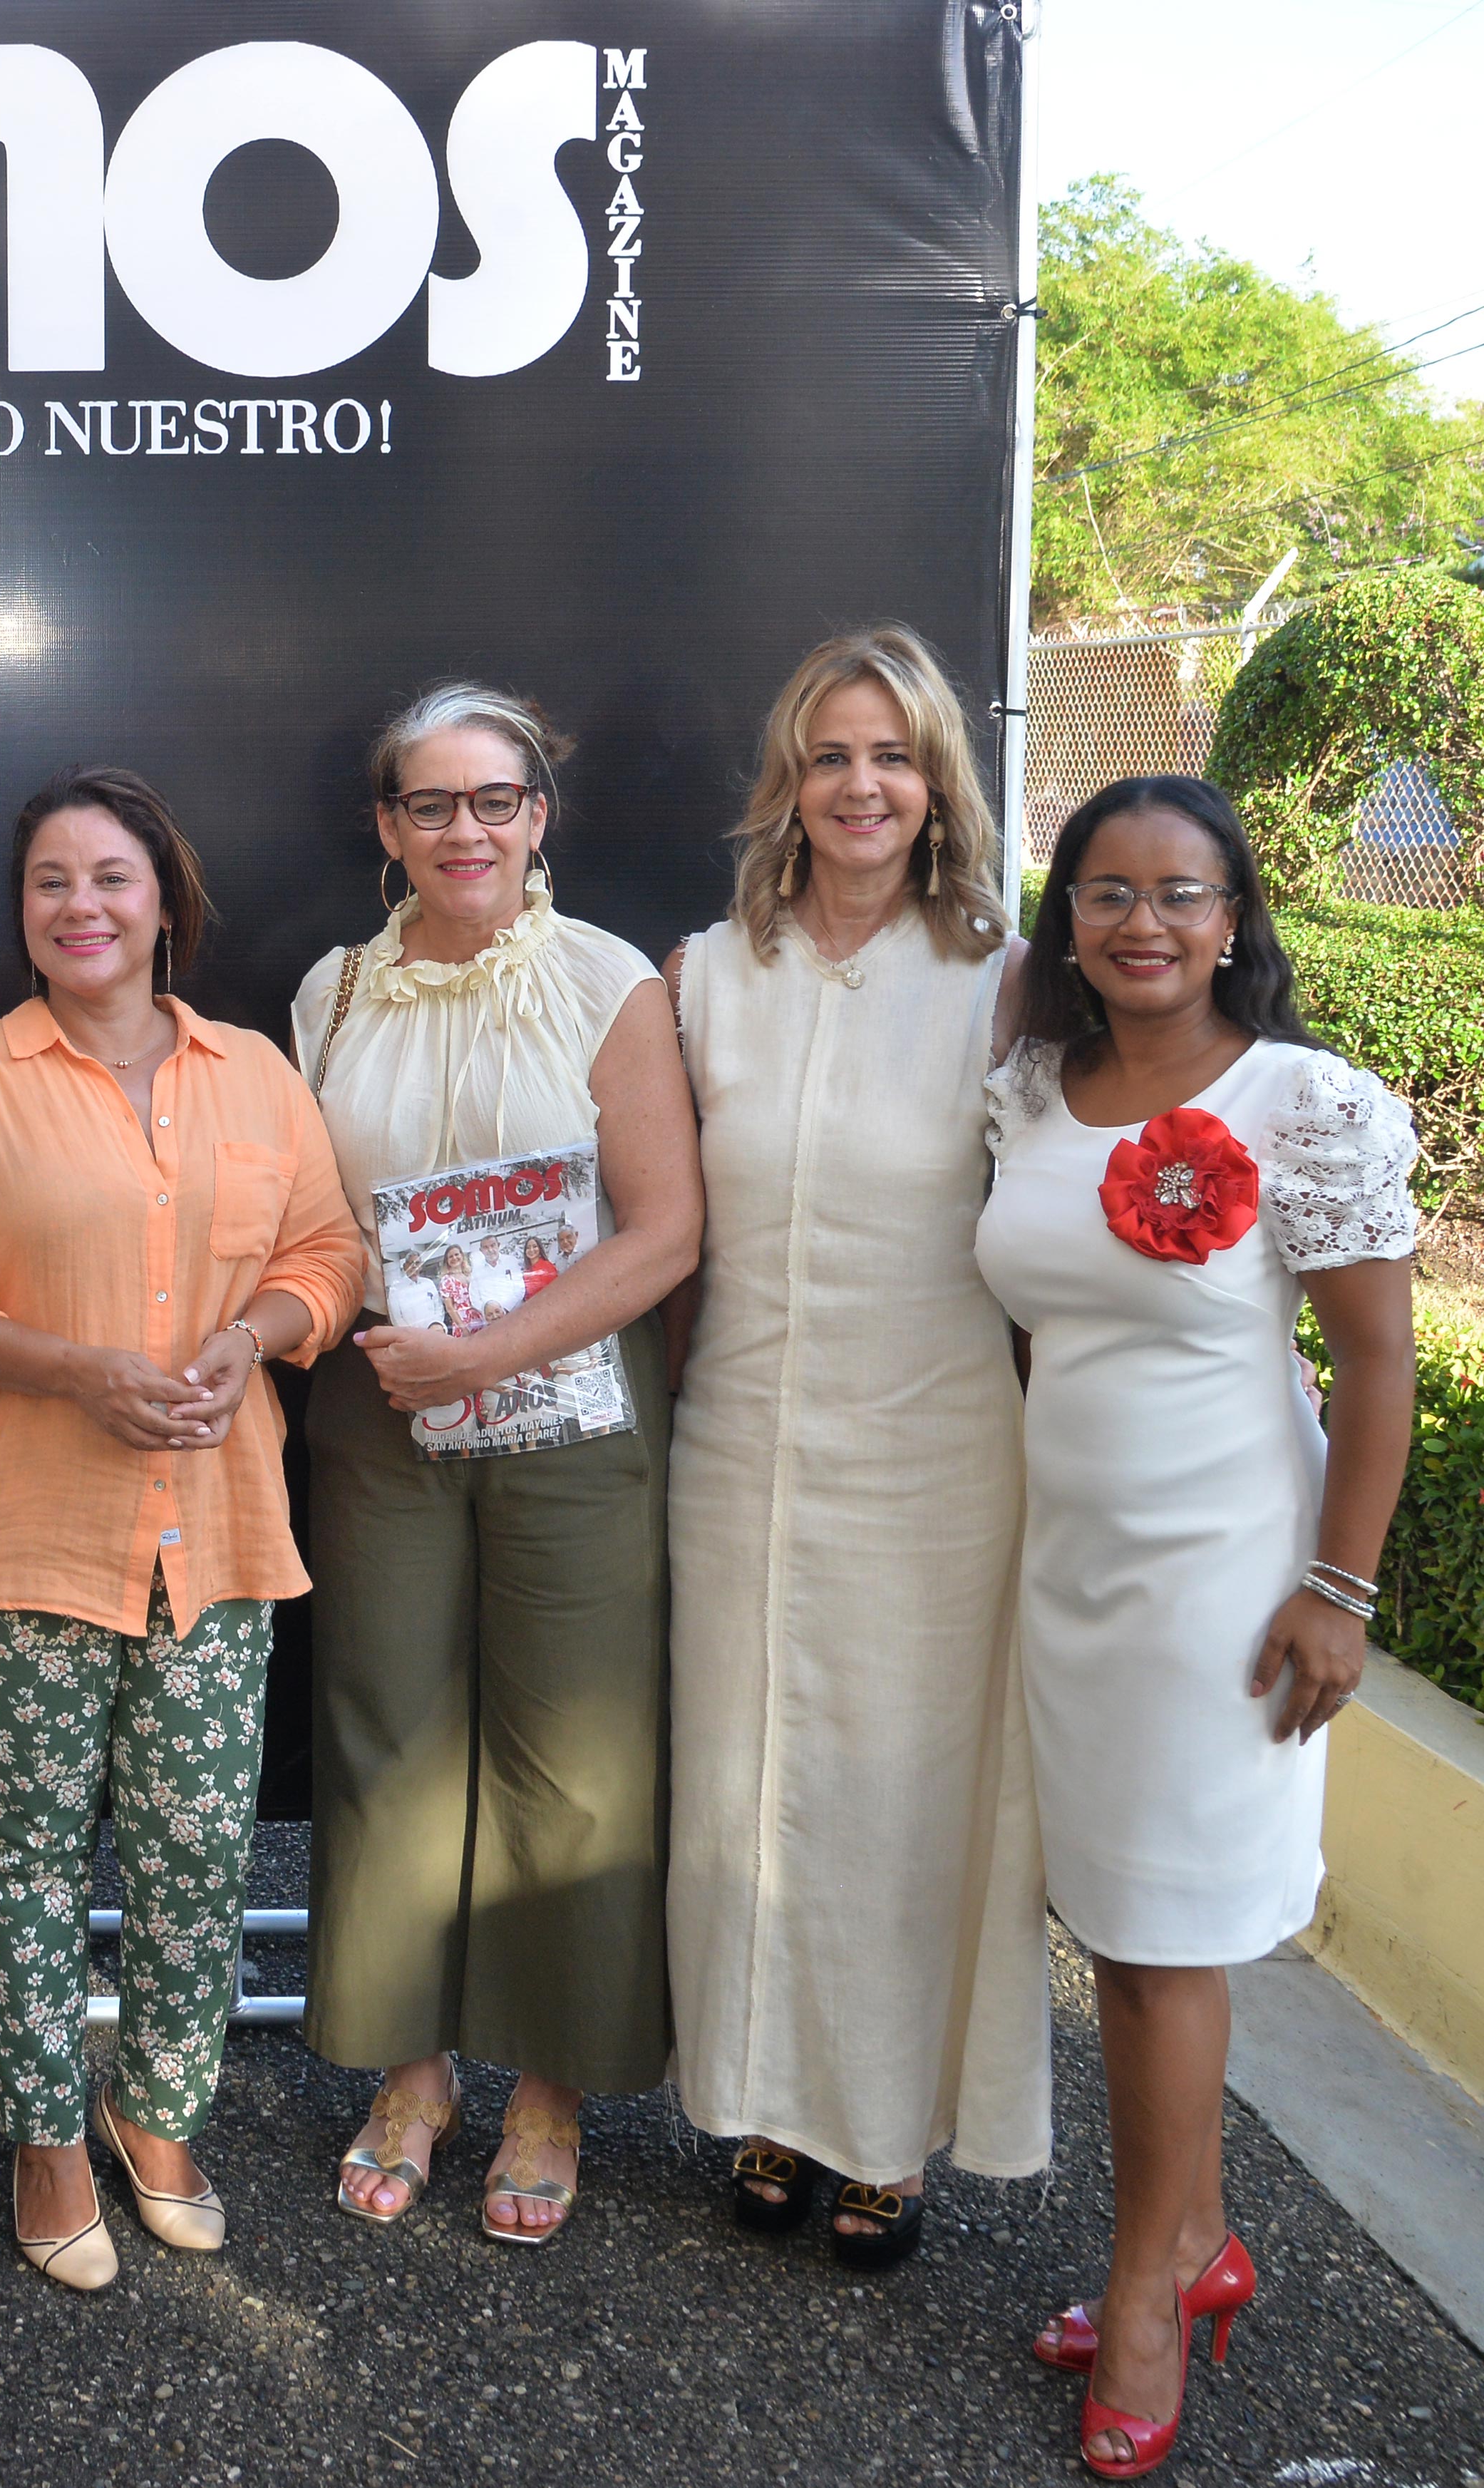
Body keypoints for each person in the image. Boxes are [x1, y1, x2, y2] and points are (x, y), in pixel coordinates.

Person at [0, 766, 364, 2293]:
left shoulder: (255, 1073)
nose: (81, 905)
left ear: (164, 902)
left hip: (212, 1533)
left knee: (199, 1847)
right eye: (51, 882)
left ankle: (155, 2113)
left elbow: (329, 1251)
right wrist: (71, 1369)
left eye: (111, 877)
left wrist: (258, 1335)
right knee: (26, 1857)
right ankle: (44, 2137)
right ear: (22, 912)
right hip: (12, 1539)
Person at [977, 776, 1415, 2479]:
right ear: (1069, 917)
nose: (1143, 921)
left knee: (1164, 1945)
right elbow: (1044, 1331)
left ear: (1235, 916)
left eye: (1181, 891)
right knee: (1120, 1922)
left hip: (1225, 1583)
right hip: (1074, 1571)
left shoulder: (1303, 1101)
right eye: (1107, 890)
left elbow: (1375, 1365)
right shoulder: (1034, 1087)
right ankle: (1203, 2230)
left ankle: (1150, 2284)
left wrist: (1339, 1587)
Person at [293, 683, 703, 2243]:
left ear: (540, 814)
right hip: (384, 1406)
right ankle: (414, 2071)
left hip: (576, 1410)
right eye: (431, 803)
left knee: (572, 1746)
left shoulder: (610, 980)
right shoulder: (334, 990)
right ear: (388, 827)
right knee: (388, 1721)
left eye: (494, 799)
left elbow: (666, 1230)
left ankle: (547, 2084)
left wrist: (491, 1349)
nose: (463, 829)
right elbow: (316, 1217)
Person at [664, 624, 1051, 2267]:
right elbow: (664, 1234)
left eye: (893, 755)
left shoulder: (1003, 977)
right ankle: (765, 2096)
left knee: (900, 1798)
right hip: (734, 1446)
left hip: (936, 1459)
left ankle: (886, 2130)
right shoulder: (704, 974)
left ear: (938, 781)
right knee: (741, 1786)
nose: (861, 784)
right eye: (830, 755)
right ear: (789, 782)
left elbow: (1057, 1231)